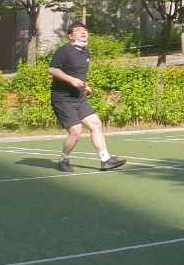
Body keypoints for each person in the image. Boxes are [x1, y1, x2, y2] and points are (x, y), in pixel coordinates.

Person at [47, 23, 126, 173]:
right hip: (62, 99)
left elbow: (79, 74)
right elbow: (52, 70)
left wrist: (85, 85)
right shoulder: (64, 50)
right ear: (71, 36)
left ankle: (106, 160)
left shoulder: (86, 52)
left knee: (96, 124)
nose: (83, 33)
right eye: (79, 31)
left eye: (85, 30)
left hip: (79, 98)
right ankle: (64, 160)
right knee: (76, 131)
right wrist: (71, 80)